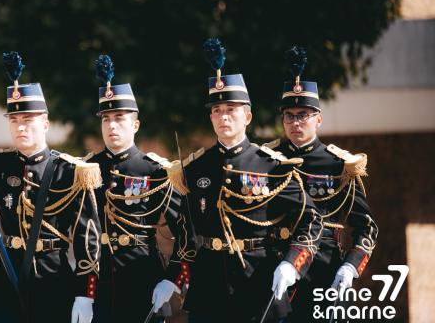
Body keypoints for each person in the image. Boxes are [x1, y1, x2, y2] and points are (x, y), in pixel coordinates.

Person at [162, 39, 323, 322]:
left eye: (231, 110)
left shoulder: (272, 165)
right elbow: (186, 234)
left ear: (247, 116)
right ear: (210, 117)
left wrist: (292, 264)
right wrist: (172, 277)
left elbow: (311, 219)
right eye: (217, 111)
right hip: (208, 292)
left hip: (258, 285)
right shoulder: (195, 168)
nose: (223, 117)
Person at [0, 52, 103, 323]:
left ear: (45, 123)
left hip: (53, 282)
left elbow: (88, 238)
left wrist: (85, 294)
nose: (21, 127)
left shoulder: (71, 172)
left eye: (28, 120)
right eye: (14, 121)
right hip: (5, 283)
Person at [267, 46, 378, 322]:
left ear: (318, 119)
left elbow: (367, 227)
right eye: (289, 115)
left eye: (303, 114)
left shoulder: (338, 165)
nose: (295, 122)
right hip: (272, 270)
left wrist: (351, 267)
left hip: (323, 271)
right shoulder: (267, 159)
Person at [87, 55, 193, 323]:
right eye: (106, 118)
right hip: (95, 281)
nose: (111, 125)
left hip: (142, 279)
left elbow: (187, 231)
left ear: (135, 125)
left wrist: (172, 279)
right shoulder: (86, 171)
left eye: (119, 118)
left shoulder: (155, 172)